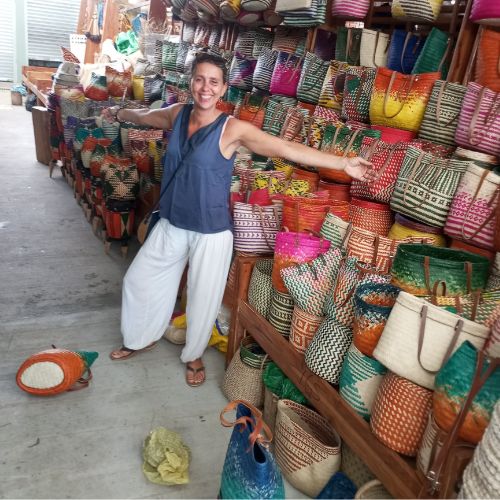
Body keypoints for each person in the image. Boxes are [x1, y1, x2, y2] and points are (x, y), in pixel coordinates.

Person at [103, 52, 376, 387]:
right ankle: (139, 337)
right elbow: (146, 116)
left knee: (203, 296)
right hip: (173, 222)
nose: (205, 87)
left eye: (213, 82)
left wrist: (342, 163)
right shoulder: (178, 114)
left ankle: (193, 356)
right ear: (191, 81)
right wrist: (119, 112)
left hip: (211, 230)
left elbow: (284, 148)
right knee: (138, 280)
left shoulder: (232, 129)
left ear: (223, 89)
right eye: (200, 79)